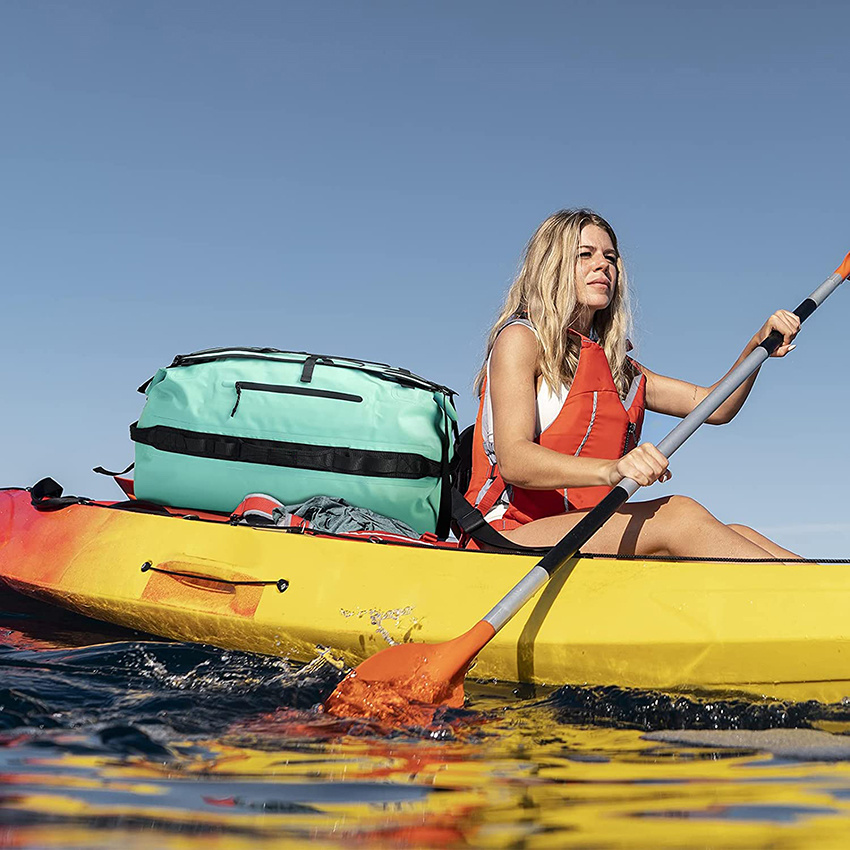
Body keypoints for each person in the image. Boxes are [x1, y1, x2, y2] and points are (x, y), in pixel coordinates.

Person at [464, 209, 801, 559]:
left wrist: (757, 347)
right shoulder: (521, 339)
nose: (603, 265)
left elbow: (715, 407)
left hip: (581, 529)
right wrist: (613, 469)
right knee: (679, 517)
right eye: (585, 254)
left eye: (610, 257)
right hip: (509, 533)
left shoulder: (619, 369)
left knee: (737, 533)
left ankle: (832, 602)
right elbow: (515, 461)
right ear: (552, 264)